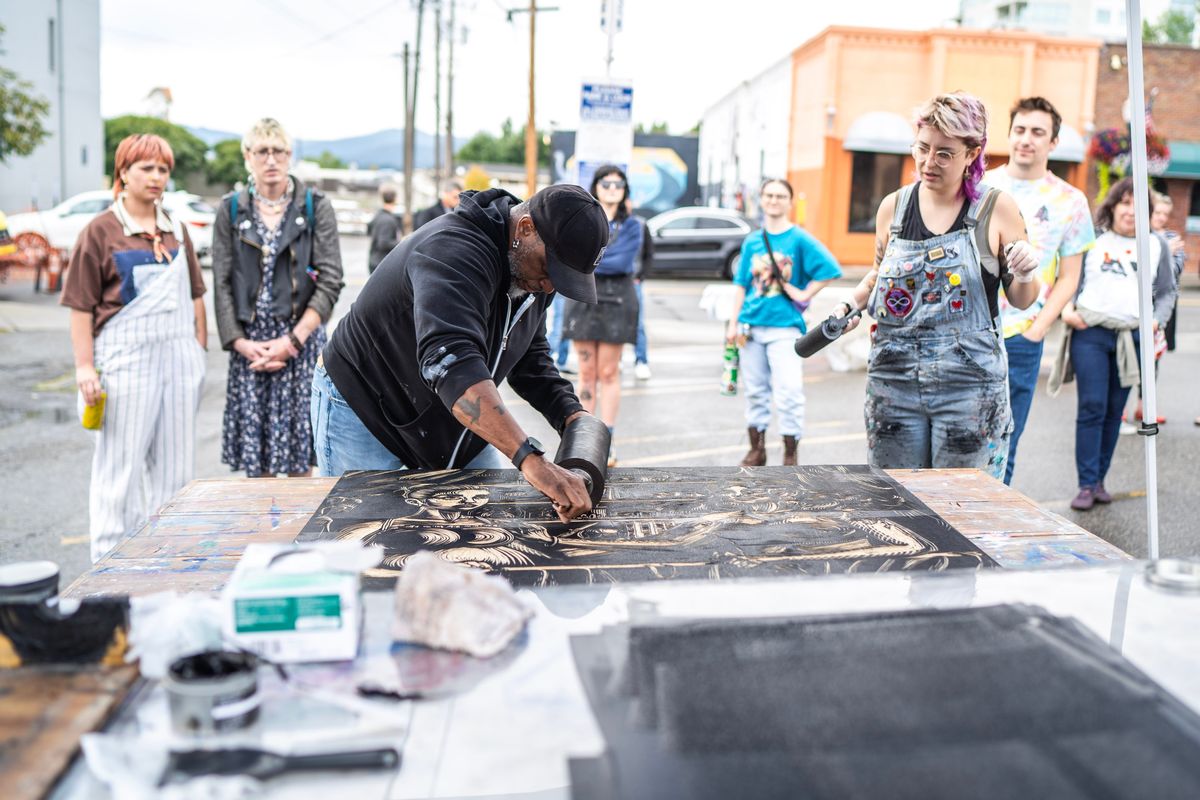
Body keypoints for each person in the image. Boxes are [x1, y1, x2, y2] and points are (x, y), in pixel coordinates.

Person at [311, 183, 609, 523]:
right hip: (363, 407)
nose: (550, 286)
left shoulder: (533, 267)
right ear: (525, 228)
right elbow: (450, 364)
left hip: (450, 408)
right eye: (551, 269)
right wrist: (529, 458)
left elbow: (530, 359)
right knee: (363, 539)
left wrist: (572, 416)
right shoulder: (452, 252)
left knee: (483, 529)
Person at [846, 92, 1042, 481]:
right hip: (893, 383)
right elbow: (879, 273)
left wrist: (1024, 273)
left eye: (944, 153)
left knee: (964, 507)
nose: (928, 162)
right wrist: (851, 303)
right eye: (922, 148)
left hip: (970, 391)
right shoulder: (894, 207)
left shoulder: (994, 209)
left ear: (972, 153)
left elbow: (1022, 300)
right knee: (896, 501)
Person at [61, 134, 207, 562]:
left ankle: (169, 566)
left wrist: (197, 352)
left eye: (163, 169)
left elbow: (195, 296)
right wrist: (85, 368)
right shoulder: (100, 231)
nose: (157, 177)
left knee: (176, 476)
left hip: (179, 362)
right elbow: (80, 307)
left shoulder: (177, 229)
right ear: (123, 173)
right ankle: (108, 576)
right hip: (124, 362)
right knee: (118, 474)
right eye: (147, 168)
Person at [211, 118, 344, 479]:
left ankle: (301, 537)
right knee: (260, 468)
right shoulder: (231, 209)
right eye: (262, 151)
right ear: (248, 157)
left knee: (302, 462)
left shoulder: (315, 206)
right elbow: (221, 280)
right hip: (250, 351)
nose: (271, 160)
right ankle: (264, 537)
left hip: (300, 345)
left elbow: (331, 280)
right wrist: (239, 342)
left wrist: (293, 340)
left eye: (279, 151)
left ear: (290, 155)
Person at [985, 97, 1096, 485]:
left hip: (1021, 336)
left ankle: (988, 531)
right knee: (957, 435)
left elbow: (1070, 277)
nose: (1026, 140)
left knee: (1005, 442)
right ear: (1009, 134)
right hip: (968, 332)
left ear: (1053, 142)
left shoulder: (1070, 201)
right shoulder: (982, 185)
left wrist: (1038, 329)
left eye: (1037, 132)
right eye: (1020, 130)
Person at [1056, 177, 1177, 510]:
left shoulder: (1156, 245)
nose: (1130, 211)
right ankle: (1084, 483)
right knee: (1092, 406)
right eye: (1124, 203)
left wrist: (1157, 319)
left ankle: (1099, 481)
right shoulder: (1093, 240)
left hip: (1133, 337)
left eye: (1138, 206)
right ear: (1112, 206)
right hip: (1091, 333)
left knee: (1114, 411)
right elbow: (1067, 280)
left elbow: (1167, 290)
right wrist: (1067, 310)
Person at [725, 178, 841, 466]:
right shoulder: (753, 240)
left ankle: (790, 453)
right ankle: (757, 449)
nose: (774, 200)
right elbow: (741, 285)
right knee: (755, 391)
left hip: (785, 327)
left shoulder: (799, 239)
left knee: (789, 391)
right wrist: (732, 322)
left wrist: (804, 292)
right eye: (768, 195)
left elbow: (829, 269)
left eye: (780, 196)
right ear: (761, 200)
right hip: (751, 326)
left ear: (790, 202)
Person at [561, 165, 644, 466]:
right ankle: (585, 440)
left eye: (618, 184)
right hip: (583, 298)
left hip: (617, 300)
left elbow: (621, 263)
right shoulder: (581, 220)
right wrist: (595, 259)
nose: (612, 188)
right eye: (606, 183)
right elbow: (569, 256)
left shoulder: (633, 226)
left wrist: (591, 258)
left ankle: (606, 439)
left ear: (625, 191)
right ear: (595, 186)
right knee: (586, 375)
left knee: (609, 373)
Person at [631, 197, 654, 380]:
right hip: (613, 283)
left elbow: (649, 254)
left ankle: (641, 361)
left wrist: (641, 276)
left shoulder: (640, 224)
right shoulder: (609, 224)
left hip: (633, 282)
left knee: (637, 324)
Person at [367, 184, 402, 274]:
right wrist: (402, 242)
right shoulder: (388, 220)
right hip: (381, 264)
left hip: (374, 261)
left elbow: (369, 231)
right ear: (395, 199)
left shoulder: (378, 216)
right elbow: (383, 243)